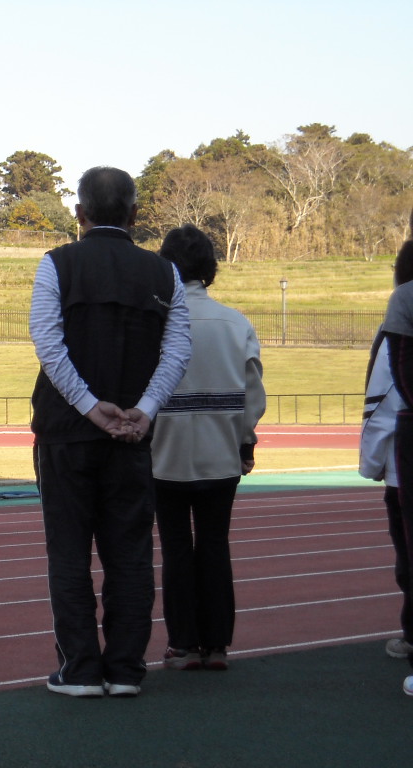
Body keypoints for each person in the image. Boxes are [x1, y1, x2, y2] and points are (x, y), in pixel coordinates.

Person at [30, 166, 191, 698]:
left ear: (79, 214)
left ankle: (79, 670)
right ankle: (125, 669)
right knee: (130, 552)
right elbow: (177, 350)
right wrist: (143, 410)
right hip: (131, 436)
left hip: (65, 433)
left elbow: (47, 343)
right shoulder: (163, 272)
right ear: (135, 214)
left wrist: (86, 406)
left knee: (69, 552)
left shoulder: (57, 263)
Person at [150, 224, 266, 672]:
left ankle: (182, 644)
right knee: (215, 545)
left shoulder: (157, 322)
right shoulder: (236, 323)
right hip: (222, 455)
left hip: (165, 456)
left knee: (177, 549)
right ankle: (217, 645)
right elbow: (252, 395)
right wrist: (245, 441)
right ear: (210, 269)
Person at [366, 241, 413, 672]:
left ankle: (411, 632)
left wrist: (373, 462)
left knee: (408, 555)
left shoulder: (398, 322)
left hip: (405, 461)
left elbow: (382, 401)